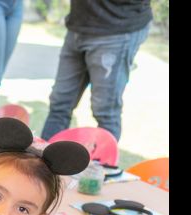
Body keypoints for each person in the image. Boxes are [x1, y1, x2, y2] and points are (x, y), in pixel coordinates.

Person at [40, 0, 153, 141]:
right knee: (59, 103)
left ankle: (103, 163)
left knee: (105, 111)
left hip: (117, 28)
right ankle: (44, 160)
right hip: (78, 25)